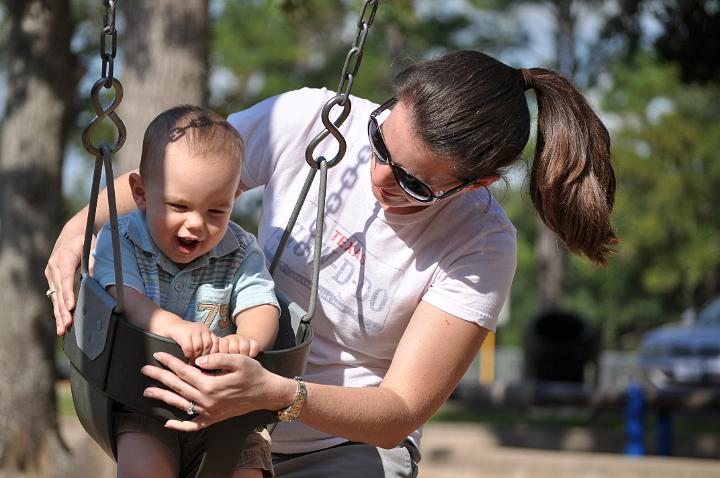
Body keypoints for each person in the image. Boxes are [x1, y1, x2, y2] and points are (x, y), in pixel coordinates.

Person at [46, 50, 618, 477]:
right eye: (380, 140)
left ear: (480, 184)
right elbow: (179, 175)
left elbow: (399, 410)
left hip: (343, 447)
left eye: (413, 182)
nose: (378, 177)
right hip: (209, 415)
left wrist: (272, 392)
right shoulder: (315, 120)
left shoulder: (482, 246)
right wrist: (77, 232)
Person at [91, 105, 280, 478]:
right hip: (145, 401)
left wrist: (248, 339)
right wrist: (172, 325)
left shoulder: (240, 250)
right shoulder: (122, 237)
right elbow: (124, 295)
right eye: (180, 206)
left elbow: (262, 303)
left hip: (229, 410)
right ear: (141, 193)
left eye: (216, 211)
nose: (196, 224)